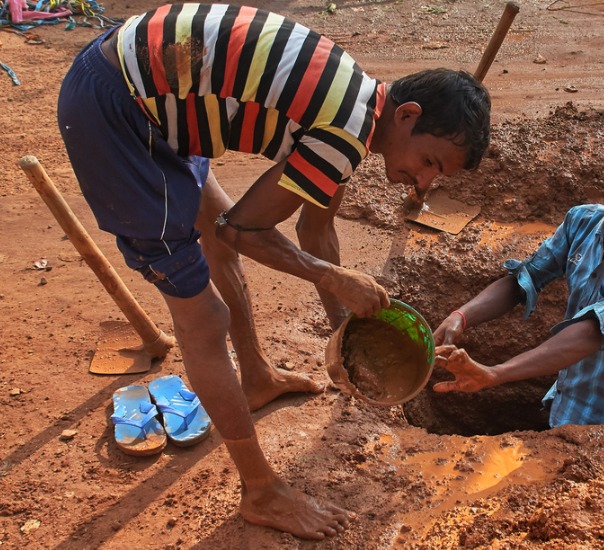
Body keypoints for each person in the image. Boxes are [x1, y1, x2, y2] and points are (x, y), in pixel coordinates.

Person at [56, 3, 490, 540]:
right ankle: (261, 491)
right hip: (118, 112)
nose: (422, 183)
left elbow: (316, 231)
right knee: (203, 318)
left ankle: (256, 378)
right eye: (430, 162)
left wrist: (345, 334)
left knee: (216, 238)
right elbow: (246, 230)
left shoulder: (359, 105)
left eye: (435, 177)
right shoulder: (346, 132)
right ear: (409, 116)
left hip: (161, 95)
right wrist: (333, 279)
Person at [433, 150, 604, 427]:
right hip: (562, 396)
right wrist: (461, 316)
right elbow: (525, 278)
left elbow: (589, 333)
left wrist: (495, 374)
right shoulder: (581, 222)